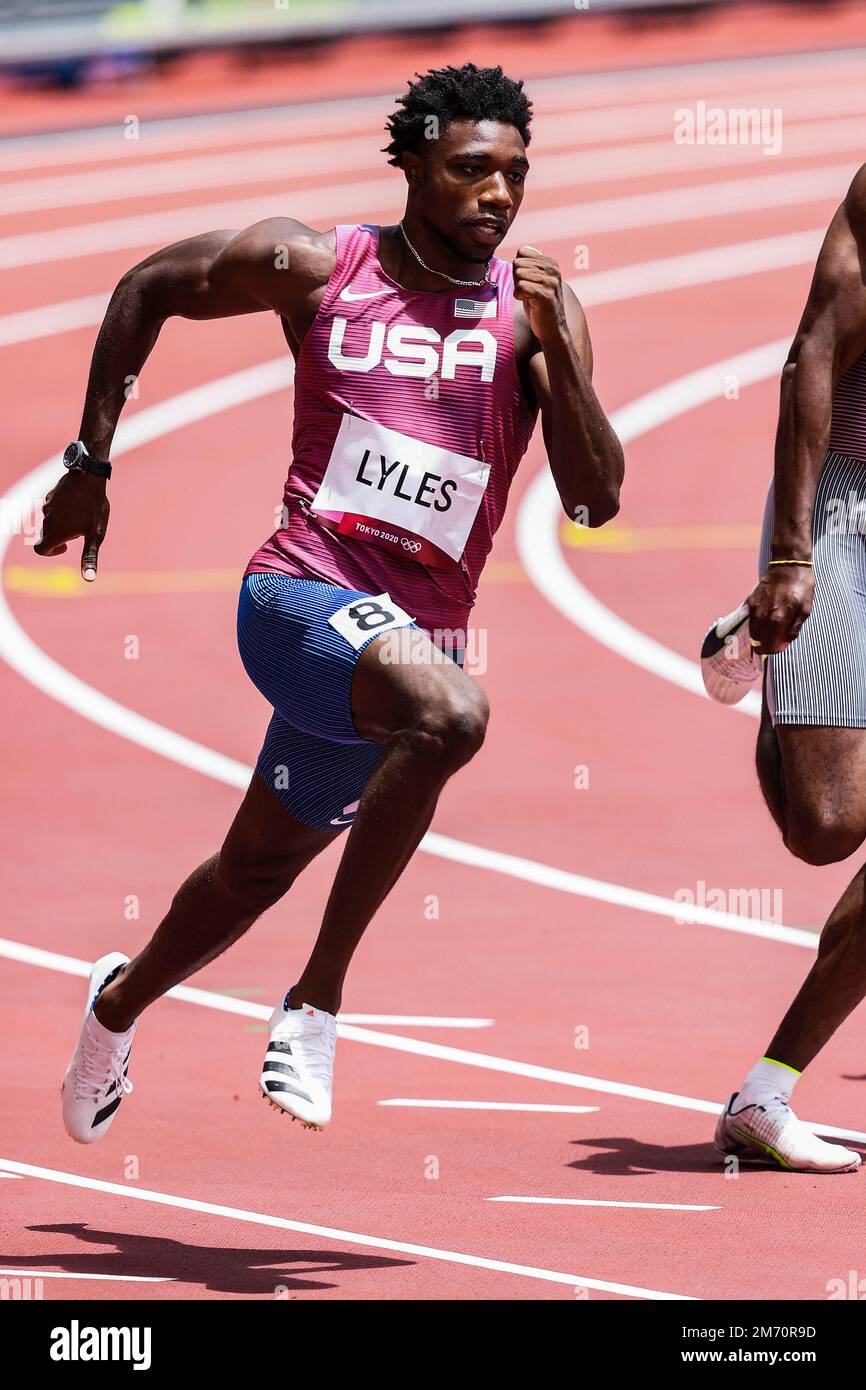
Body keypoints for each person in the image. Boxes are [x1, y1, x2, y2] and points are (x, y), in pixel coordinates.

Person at [38, 63, 624, 1141]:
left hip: (399, 650)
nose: (496, 195)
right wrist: (91, 459)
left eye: (514, 175)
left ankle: (114, 1005)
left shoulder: (533, 310)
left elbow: (593, 502)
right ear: (410, 163)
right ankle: (316, 999)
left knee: (255, 866)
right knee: (455, 718)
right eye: (470, 171)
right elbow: (147, 288)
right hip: (296, 594)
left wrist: (564, 366)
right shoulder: (316, 264)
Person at [703, 164, 866, 1172]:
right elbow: (813, 348)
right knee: (825, 828)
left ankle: (765, 1095)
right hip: (847, 496)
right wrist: (789, 554)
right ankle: (769, 666)